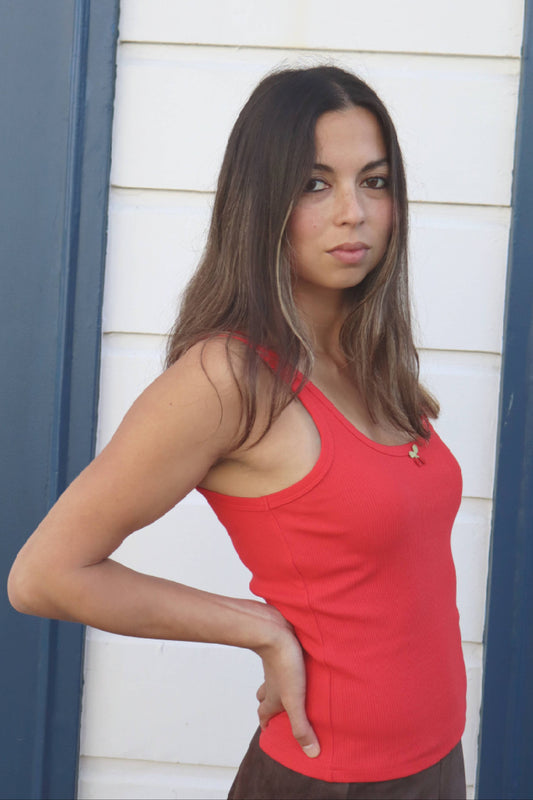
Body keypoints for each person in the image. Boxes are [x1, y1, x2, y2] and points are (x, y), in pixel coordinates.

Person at [8, 66, 467, 799]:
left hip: (434, 763)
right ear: (262, 202)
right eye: (315, 184)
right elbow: (44, 575)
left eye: (374, 182)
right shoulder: (228, 378)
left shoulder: (368, 361)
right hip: (330, 781)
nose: (353, 212)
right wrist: (258, 627)